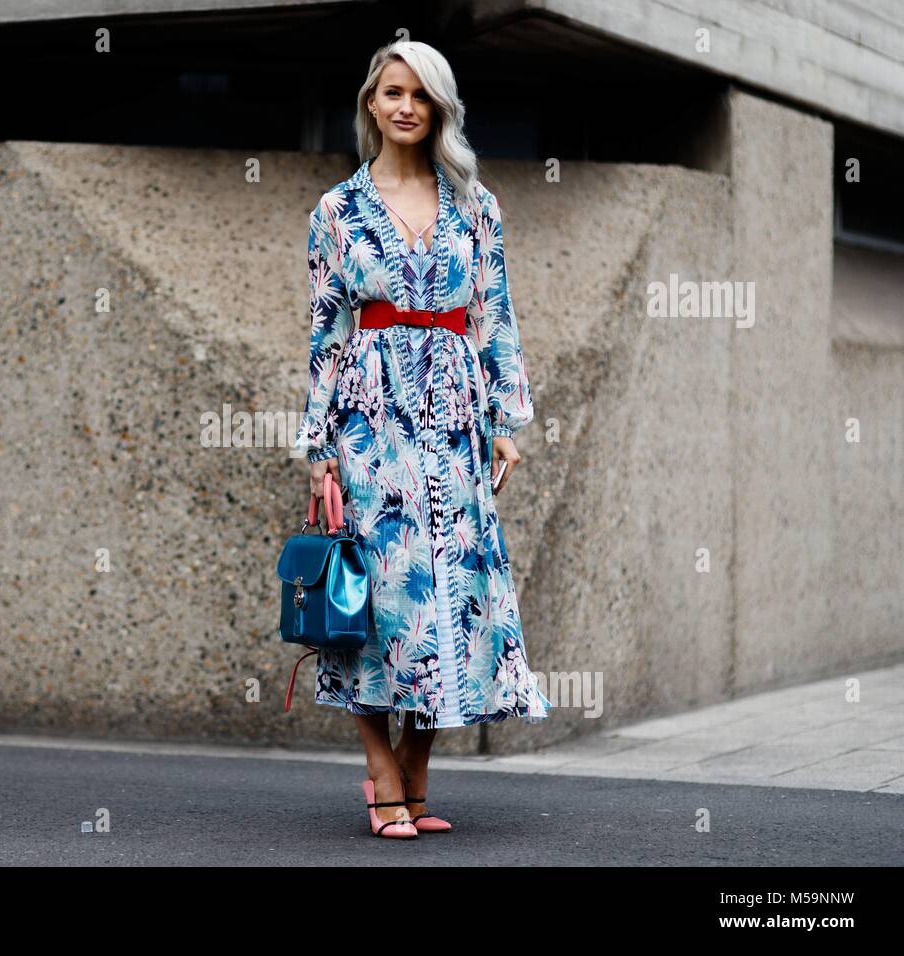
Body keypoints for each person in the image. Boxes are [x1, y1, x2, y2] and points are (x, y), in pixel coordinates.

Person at [293, 40, 552, 840]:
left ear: (439, 108)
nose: (406, 106)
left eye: (421, 95)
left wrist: (506, 421)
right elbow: (325, 330)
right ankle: (381, 774)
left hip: (455, 419)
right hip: (370, 420)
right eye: (392, 92)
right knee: (376, 600)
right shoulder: (335, 212)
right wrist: (319, 443)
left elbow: (495, 316)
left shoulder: (478, 205)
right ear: (371, 103)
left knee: (453, 595)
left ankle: (418, 769)